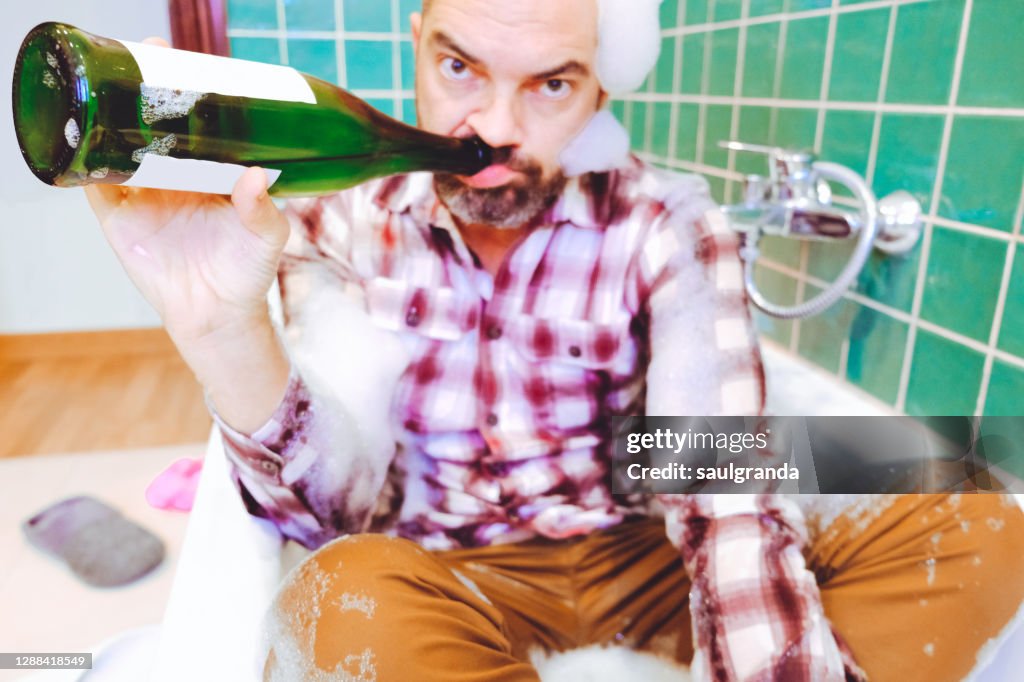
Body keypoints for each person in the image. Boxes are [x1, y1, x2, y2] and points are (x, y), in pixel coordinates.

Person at [85, 0, 1024, 680]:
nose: (493, 129)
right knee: (340, 597)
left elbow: (713, 482)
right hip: (449, 578)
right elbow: (330, 513)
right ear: (417, 39)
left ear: (603, 85)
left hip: (639, 546)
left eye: (552, 84)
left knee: (982, 523)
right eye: (460, 68)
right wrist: (222, 331)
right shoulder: (339, 224)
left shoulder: (670, 226)